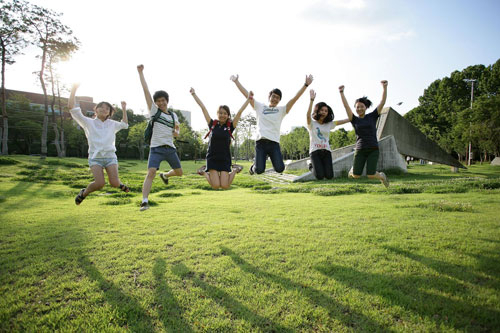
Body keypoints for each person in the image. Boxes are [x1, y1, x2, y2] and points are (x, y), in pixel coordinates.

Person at [230, 74, 313, 175]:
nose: (275, 99)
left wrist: (305, 85)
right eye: (273, 96)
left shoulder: (281, 110)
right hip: (261, 143)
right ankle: (253, 167)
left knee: (280, 168)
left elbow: (294, 98)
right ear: (269, 97)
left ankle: (262, 165)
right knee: (259, 170)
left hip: (274, 144)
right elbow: (248, 96)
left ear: (279, 100)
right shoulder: (260, 107)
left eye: (277, 98)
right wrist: (236, 82)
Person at [68, 83, 130, 205]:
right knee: (100, 184)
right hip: (95, 157)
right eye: (101, 107)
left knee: (114, 184)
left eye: (107, 108)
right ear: (95, 110)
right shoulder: (88, 122)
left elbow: (125, 124)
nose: (104, 109)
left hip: (110, 156)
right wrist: (74, 89)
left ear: (109, 113)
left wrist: (123, 109)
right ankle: (83, 193)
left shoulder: (112, 124)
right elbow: (71, 108)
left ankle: (119, 183)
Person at [137, 64, 183, 211]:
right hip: (156, 148)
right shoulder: (154, 111)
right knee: (151, 172)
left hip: (170, 148)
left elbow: (177, 129)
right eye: (158, 101)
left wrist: (176, 133)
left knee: (179, 173)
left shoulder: (173, 115)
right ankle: (144, 201)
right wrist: (140, 73)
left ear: (167, 101)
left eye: (163, 100)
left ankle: (166, 176)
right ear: (156, 102)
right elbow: (145, 91)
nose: (161, 103)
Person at [190, 88, 253, 189]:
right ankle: (204, 173)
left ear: (228, 115)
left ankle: (235, 170)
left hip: (224, 159)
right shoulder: (212, 124)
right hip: (212, 158)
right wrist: (194, 94)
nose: (222, 115)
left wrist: (248, 99)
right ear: (217, 114)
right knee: (215, 186)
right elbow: (203, 108)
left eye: (225, 113)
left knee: (225, 186)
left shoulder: (230, 126)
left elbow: (240, 112)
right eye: (220, 113)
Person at [338, 80, 390, 187]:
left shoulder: (372, 116)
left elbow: (382, 102)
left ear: (366, 107)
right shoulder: (354, 119)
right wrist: (341, 93)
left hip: (373, 148)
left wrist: (384, 87)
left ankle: (382, 176)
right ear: (355, 109)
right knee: (356, 176)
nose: (359, 108)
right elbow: (346, 107)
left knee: (371, 175)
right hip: (360, 149)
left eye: (362, 106)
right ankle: (353, 170)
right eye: (357, 107)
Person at [307, 89, 349, 180]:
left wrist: (353, 118)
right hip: (315, 151)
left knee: (329, 176)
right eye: (322, 110)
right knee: (320, 176)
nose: (324, 112)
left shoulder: (329, 124)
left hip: (326, 151)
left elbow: (344, 121)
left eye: (326, 111)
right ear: (317, 111)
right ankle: (310, 166)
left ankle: (318, 168)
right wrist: (311, 101)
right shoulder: (312, 124)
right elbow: (307, 116)